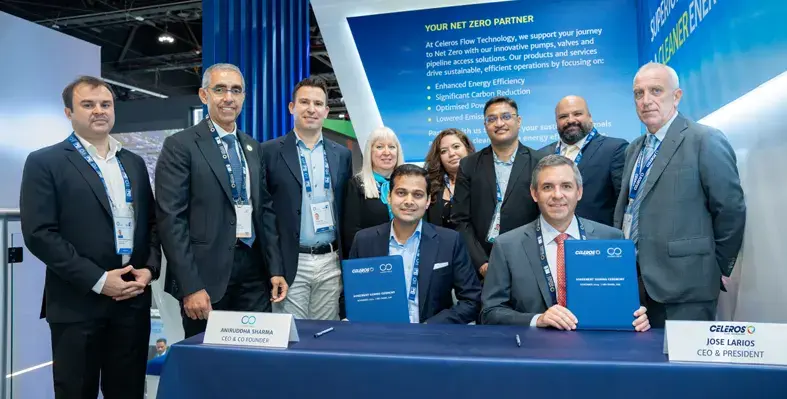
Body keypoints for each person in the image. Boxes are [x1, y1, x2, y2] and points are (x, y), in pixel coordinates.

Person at [20, 75, 161, 398]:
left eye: (105, 104)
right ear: (69, 112)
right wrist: (98, 279)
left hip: (132, 299)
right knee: (76, 391)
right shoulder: (46, 162)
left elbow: (152, 224)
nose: (99, 110)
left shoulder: (134, 163)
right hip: (77, 303)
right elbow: (40, 233)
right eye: (88, 104)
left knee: (127, 391)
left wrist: (149, 269)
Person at [155, 63, 287, 338]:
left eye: (236, 90)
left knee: (253, 358)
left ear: (243, 97)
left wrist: (275, 268)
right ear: (204, 95)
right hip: (206, 277)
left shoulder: (252, 147)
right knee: (208, 364)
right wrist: (190, 286)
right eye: (220, 89)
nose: (229, 97)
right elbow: (171, 220)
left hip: (254, 271)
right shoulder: (181, 145)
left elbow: (264, 211)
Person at [613, 62, 746, 327]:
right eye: (639, 93)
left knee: (686, 367)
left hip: (687, 288)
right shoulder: (634, 149)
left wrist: (714, 267)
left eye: (656, 91)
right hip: (636, 285)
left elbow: (730, 209)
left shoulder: (705, 140)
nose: (646, 100)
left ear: (677, 96)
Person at [481, 155, 649, 331]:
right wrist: (537, 319)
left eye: (566, 186)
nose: (557, 195)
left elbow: (628, 303)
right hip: (535, 350)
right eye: (547, 187)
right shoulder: (507, 245)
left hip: (599, 348)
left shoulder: (612, 239)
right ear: (534, 193)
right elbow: (490, 312)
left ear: (579, 192)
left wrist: (637, 316)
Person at [261, 76, 353, 320]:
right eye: (304, 102)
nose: (311, 109)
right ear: (292, 107)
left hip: (331, 263)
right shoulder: (269, 152)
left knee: (326, 339)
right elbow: (265, 215)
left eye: (317, 103)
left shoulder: (342, 155)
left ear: (326, 111)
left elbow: (345, 210)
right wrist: (275, 267)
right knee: (291, 338)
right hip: (292, 263)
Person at [348, 164, 482, 324]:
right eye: (401, 193)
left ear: (428, 201)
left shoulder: (449, 241)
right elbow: (350, 296)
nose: (408, 201)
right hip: (379, 335)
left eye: (417, 195)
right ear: (389, 197)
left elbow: (472, 300)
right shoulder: (364, 240)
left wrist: (430, 326)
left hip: (431, 338)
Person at [453, 96, 543, 279]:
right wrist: (481, 262)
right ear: (485, 126)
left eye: (506, 116)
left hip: (530, 263)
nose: (499, 123)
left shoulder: (540, 163)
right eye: (492, 119)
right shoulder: (469, 165)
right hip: (483, 267)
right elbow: (460, 220)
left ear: (518, 121)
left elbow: (546, 215)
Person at [539, 95, 628, 226]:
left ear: (590, 117)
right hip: (550, 241)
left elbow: (623, 204)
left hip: (596, 241)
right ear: (556, 121)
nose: (571, 120)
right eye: (563, 116)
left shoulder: (614, 149)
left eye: (577, 114)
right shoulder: (541, 155)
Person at [342, 126, 405, 256]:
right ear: (369, 152)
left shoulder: (408, 185)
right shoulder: (356, 185)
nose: (387, 152)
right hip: (373, 258)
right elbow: (351, 233)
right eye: (380, 147)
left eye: (392, 147)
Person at [423, 128, 476, 229]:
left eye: (456, 147)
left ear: (467, 148)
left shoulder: (483, 179)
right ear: (439, 158)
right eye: (444, 151)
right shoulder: (430, 186)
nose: (451, 153)